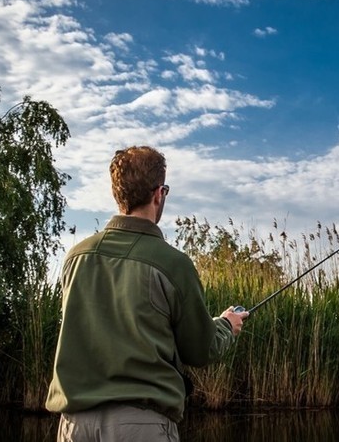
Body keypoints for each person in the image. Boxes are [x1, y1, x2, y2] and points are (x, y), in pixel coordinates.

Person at [46, 145, 248, 441]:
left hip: (73, 426)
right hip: (139, 427)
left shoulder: (76, 257)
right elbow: (200, 349)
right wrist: (227, 325)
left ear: (118, 193)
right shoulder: (173, 264)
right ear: (159, 193)